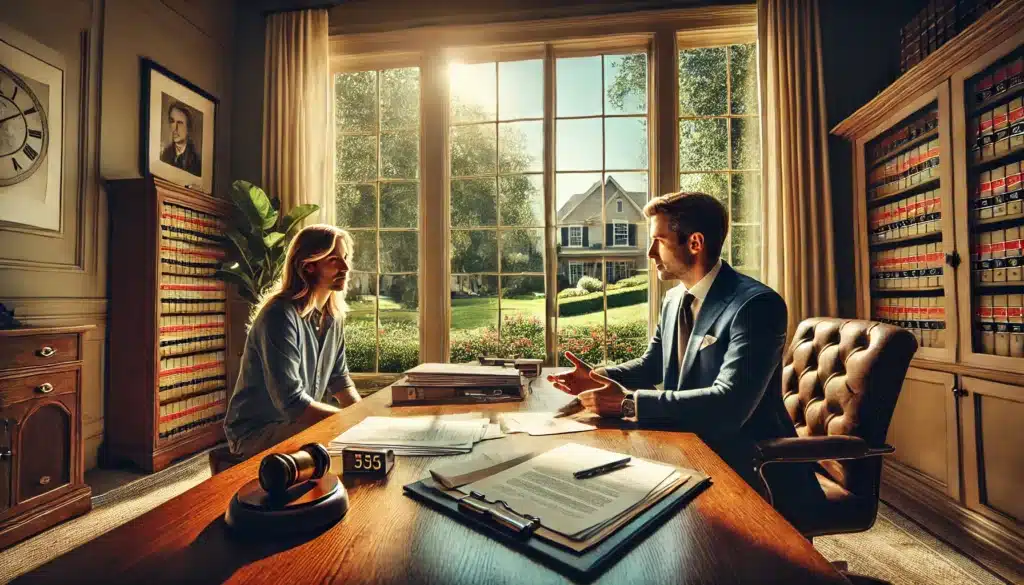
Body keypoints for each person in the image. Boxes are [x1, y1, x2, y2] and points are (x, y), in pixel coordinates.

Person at [548, 191, 816, 504]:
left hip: (750, 465)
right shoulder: (675, 298)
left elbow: (729, 406)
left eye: (658, 240)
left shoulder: (756, 306)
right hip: (684, 445)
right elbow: (653, 365)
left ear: (695, 243)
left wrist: (628, 404)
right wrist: (597, 376)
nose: (649, 252)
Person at [224, 224, 361, 458]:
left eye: (345, 258)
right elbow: (293, 403)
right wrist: (348, 423)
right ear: (308, 266)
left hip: (294, 424)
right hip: (255, 432)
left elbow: (340, 381)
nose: (346, 268)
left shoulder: (333, 318)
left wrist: (364, 417)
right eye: (334, 260)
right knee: (342, 447)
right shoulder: (279, 316)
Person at [160, 101, 202, 176]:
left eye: (179, 123)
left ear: (188, 128)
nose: (175, 128)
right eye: (172, 121)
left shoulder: (196, 162)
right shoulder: (165, 155)